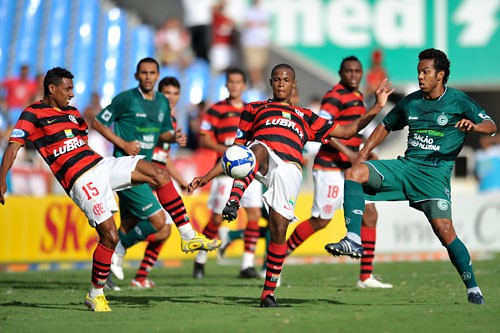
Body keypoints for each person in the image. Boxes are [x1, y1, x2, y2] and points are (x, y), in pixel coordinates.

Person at [0, 67, 220, 312]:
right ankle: (96, 294)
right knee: (110, 236)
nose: (72, 94)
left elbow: (81, 144)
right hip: (80, 180)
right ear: (51, 89)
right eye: (68, 89)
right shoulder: (32, 113)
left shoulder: (73, 113)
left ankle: (188, 235)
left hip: (100, 165)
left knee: (159, 173)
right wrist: (1, 180)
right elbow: (13, 146)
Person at [188, 63, 394, 307]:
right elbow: (237, 154)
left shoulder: (305, 116)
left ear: (294, 84)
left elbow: (348, 130)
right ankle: (233, 201)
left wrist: (378, 106)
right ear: (271, 82)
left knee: (278, 231)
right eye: (277, 79)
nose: (281, 84)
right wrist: (207, 176)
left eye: (286, 80)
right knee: (257, 149)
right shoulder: (254, 109)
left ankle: (268, 293)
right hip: (262, 158)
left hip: (290, 170)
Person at [325, 48, 496, 305]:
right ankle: (353, 238)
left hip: (434, 175)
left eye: (425, 72)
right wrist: (362, 154)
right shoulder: (411, 101)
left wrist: (473, 126)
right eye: (419, 71)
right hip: (406, 168)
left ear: (440, 75)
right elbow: (385, 126)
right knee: (354, 172)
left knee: (445, 231)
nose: (420, 76)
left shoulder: (459, 101)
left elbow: (490, 126)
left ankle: (472, 287)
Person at [92, 58, 221, 286]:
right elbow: (97, 123)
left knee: (127, 226)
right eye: (144, 73)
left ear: (157, 75)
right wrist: (123, 143)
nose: (148, 77)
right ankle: (126, 251)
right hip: (126, 168)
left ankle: (106, 277)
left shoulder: (161, 103)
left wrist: (174, 137)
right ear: (136, 75)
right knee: (160, 222)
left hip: (146, 170)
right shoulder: (125, 99)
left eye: (152, 73)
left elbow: (163, 133)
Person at [285, 56, 392, 289]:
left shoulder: (358, 96)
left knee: (370, 214)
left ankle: (365, 277)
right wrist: (350, 154)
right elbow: (325, 130)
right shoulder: (334, 96)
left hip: (351, 167)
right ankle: (277, 257)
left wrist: (364, 151)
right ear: (341, 73)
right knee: (321, 221)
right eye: (349, 71)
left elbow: (356, 129)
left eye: (357, 71)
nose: (354, 75)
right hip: (330, 166)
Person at [193, 68, 263, 279]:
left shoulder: (253, 110)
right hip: (224, 171)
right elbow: (204, 139)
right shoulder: (217, 109)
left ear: (244, 85)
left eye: (238, 82)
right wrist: (229, 154)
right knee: (216, 218)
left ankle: (247, 265)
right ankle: (200, 259)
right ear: (226, 85)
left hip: (249, 171)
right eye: (231, 82)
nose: (234, 85)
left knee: (255, 215)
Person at [240, 0, 271, 90]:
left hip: (261, 43)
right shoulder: (248, 11)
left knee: (260, 66)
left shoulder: (264, 11)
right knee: (252, 66)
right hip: (250, 42)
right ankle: (255, 86)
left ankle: (258, 85)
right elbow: (245, 24)